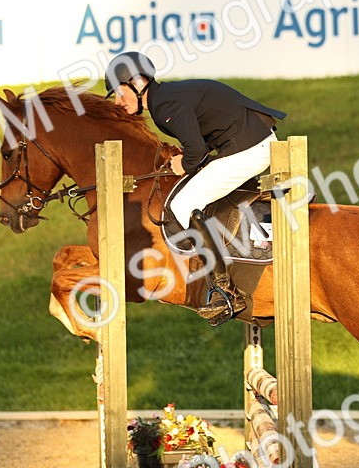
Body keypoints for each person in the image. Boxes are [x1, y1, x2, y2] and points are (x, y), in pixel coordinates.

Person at [105, 51, 286, 325]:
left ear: (139, 83)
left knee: (183, 205)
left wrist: (185, 163)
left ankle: (226, 291)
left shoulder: (164, 105)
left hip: (250, 148)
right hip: (245, 143)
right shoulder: (165, 98)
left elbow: (196, 152)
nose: (117, 101)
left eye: (119, 93)